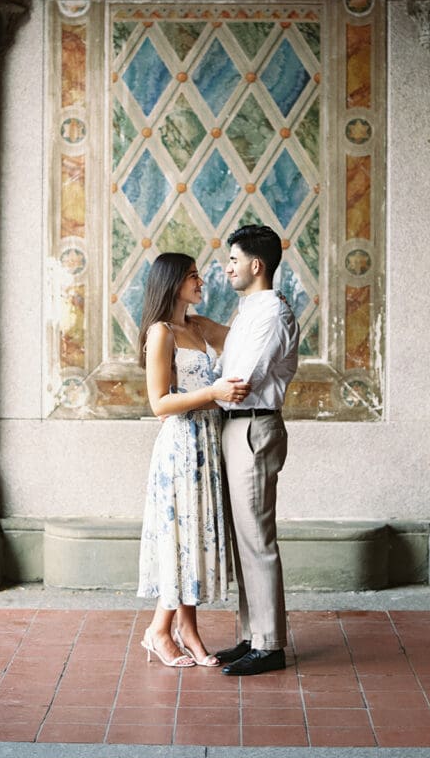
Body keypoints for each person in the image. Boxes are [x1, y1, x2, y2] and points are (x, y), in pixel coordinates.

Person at [136, 252, 250, 667]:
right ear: (173, 284)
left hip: (209, 443)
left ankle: (187, 630)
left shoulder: (199, 326)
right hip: (181, 447)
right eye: (193, 277)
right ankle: (160, 631)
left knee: (194, 539)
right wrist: (214, 393)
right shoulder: (160, 333)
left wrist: (260, 298)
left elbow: (240, 337)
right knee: (179, 539)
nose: (201, 282)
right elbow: (159, 403)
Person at [214, 224, 300, 676]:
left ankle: (270, 645)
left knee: (257, 537)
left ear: (256, 265)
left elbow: (239, 382)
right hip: (236, 428)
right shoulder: (249, 310)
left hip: (252, 428)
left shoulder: (271, 315)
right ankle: (252, 635)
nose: (227, 267)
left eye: (233, 259)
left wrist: (188, 394)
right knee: (243, 536)